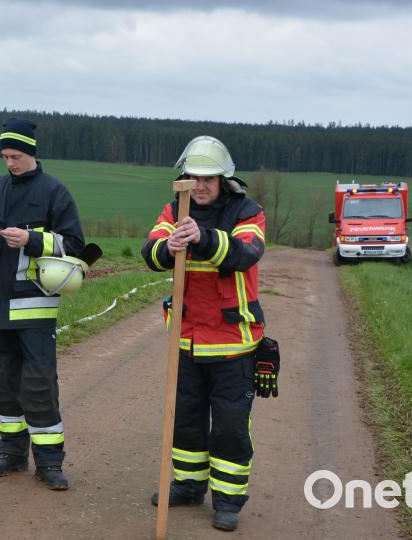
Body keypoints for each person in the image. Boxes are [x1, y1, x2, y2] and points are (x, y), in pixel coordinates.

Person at [141, 136, 267, 532]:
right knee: (185, 421)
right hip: (187, 339)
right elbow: (151, 252)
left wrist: (202, 238)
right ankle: (189, 485)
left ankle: (227, 500)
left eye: (208, 178)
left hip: (234, 344)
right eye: (193, 177)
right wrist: (168, 246)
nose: (200, 185)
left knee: (230, 425)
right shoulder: (173, 209)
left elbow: (245, 253)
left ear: (223, 179)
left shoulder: (249, 212)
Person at [0, 118, 84, 490]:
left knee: (38, 386)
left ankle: (50, 462)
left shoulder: (55, 192)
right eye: (4, 156)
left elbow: (76, 245)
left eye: (16, 156)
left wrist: (34, 240)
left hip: (35, 310)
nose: (10, 163)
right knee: (2, 382)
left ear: (31, 154)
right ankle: (12, 453)